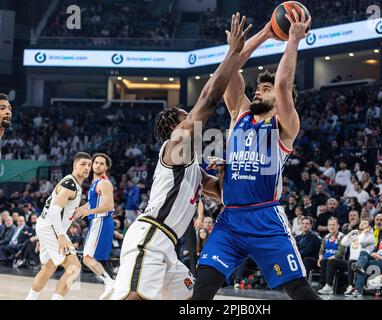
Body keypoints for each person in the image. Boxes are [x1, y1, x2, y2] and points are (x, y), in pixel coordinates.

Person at [112, 12, 250, 300]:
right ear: (176, 127)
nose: (193, 119)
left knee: (194, 300)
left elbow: (221, 193)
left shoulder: (191, 167)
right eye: (186, 117)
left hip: (168, 245)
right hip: (149, 236)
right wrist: (233, 53)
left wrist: (223, 170)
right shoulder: (173, 148)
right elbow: (210, 100)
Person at [194, 11, 319, 300]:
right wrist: (263, 33)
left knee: (298, 289)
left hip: (265, 218)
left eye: (265, 89)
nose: (259, 92)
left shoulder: (285, 126)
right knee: (203, 289)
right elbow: (226, 74)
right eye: (258, 88)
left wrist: (293, 40)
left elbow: (283, 86)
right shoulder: (239, 114)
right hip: (230, 220)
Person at [26, 152, 92, 300]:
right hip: (52, 228)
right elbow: (55, 211)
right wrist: (61, 235)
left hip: (46, 226)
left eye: (89, 165)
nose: (87, 168)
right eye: (83, 164)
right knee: (74, 268)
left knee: (48, 268)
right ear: (74, 165)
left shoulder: (74, 184)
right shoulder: (70, 185)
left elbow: (64, 210)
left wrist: (84, 208)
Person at [75, 153, 116, 300]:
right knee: (100, 260)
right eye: (96, 163)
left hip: (101, 221)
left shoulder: (104, 183)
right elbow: (94, 202)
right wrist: (81, 208)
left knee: (87, 258)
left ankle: (110, 283)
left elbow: (109, 205)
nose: (97, 165)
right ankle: (112, 288)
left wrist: (88, 211)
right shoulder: (94, 181)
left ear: (106, 167)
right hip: (98, 222)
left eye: (101, 163)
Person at [303, 217, 345, 290]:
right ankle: (304, 284)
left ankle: (324, 285)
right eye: (330, 225)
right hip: (324, 261)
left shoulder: (342, 237)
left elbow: (341, 252)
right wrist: (320, 259)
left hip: (337, 261)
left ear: (338, 226)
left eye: (333, 225)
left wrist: (327, 259)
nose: (331, 227)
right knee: (307, 260)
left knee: (327, 261)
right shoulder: (326, 237)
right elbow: (321, 250)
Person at [342, 220, 375, 296]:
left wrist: (364, 232)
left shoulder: (370, 236)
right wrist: (351, 232)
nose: (362, 224)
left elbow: (360, 241)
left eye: (365, 223)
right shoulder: (355, 236)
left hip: (363, 260)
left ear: (369, 227)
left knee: (353, 262)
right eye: (361, 223)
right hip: (353, 260)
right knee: (351, 262)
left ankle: (352, 286)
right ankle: (350, 286)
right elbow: (343, 243)